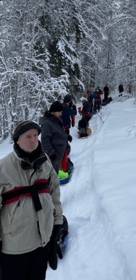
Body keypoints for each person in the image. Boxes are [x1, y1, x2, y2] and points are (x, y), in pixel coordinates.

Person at [0, 120, 65, 279]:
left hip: (42, 242)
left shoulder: (45, 162)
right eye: (28, 136)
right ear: (17, 139)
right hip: (14, 246)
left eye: (36, 135)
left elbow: (54, 193)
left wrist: (56, 226)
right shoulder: (4, 167)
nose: (33, 140)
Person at [40, 102, 71, 175]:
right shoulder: (47, 123)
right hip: (54, 155)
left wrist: (66, 137)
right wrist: (51, 153)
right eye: (59, 112)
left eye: (61, 112)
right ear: (53, 112)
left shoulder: (57, 119)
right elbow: (45, 140)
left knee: (56, 172)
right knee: (52, 175)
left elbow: (59, 132)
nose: (61, 114)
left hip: (60, 153)